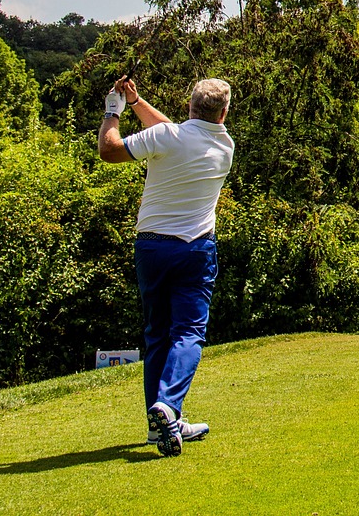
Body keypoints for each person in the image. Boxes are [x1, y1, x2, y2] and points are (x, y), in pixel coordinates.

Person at [98, 76, 235, 457]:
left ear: (189, 105)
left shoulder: (168, 138)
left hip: (152, 249)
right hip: (195, 250)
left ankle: (159, 426)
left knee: (157, 334)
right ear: (223, 113)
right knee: (188, 333)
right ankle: (169, 408)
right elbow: (170, 132)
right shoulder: (225, 145)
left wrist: (114, 110)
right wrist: (137, 102)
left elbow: (110, 150)